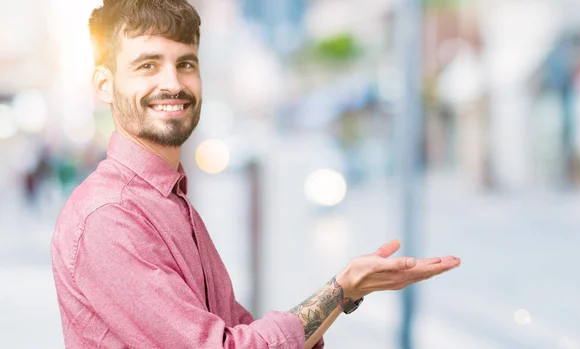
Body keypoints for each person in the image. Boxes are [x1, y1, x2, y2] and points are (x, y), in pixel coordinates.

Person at [50, 1, 461, 348]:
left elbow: (240, 331)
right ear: (104, 85)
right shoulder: (108, 217)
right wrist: (340, 289)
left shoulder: (168, 201)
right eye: (148, 65)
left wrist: (346, 290)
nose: (172, 83)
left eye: (186, 63)